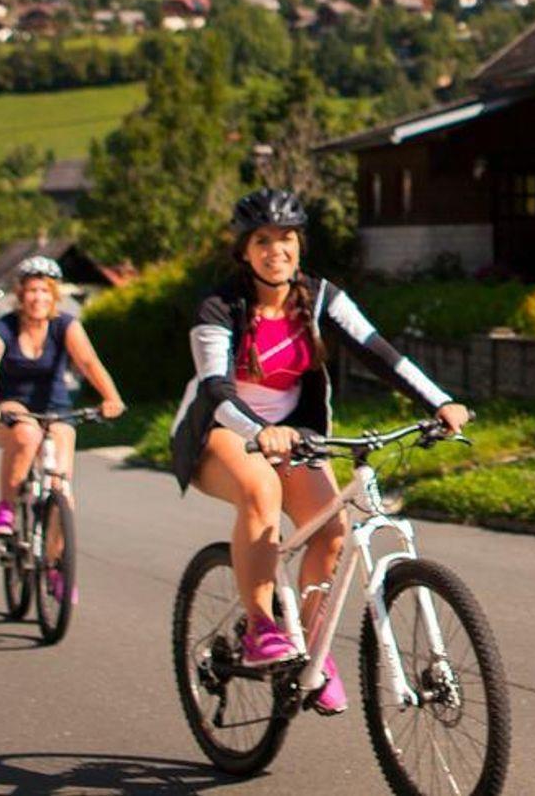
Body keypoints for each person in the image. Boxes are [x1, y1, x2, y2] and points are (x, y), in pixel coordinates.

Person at [170, 188, 471, 717]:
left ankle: (311, 651)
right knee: (260, 489)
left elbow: (380, 353)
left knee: (331, 530)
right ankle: (261, 629)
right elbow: (215, 388)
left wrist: (439, 401)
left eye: (286, 238)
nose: (276, 250)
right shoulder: (218, 307)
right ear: (244, 251)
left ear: (299, 244)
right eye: (263, 241)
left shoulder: (322, 296)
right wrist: (261, 430)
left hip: (295, 434)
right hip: (221, 430)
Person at [0, 254, 124, 601]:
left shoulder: (65, 325)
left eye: (44, 290)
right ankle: (6, 508)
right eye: (31, 290)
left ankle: (55, 566)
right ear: (20, 294)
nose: (37, 297)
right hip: (11, 407)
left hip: (55, 410)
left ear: (54, 294)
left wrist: (111, 397)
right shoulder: (4, 327)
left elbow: (88, 362)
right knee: (27, 433)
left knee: (62, 489)